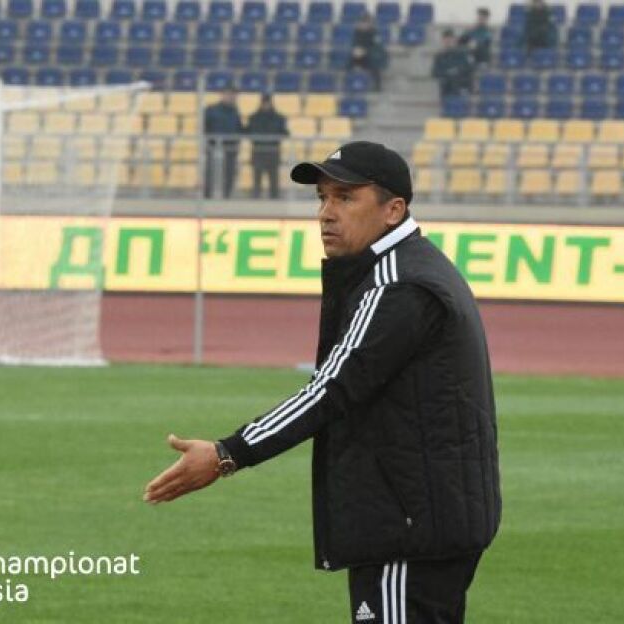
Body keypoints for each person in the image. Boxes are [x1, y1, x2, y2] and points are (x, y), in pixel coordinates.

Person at [144, 141, 502, 623]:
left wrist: (228, 454)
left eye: (345, 197)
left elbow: (330, 389)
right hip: (423, 516)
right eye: (322, 198)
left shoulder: (398, 284)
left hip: (408, 527)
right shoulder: (412, 267)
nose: (326, 213)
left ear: (393, 209)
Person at [245, 93, 289, 199]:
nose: (266, 105)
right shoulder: (253, 118)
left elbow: (284, 133)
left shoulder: (279, 118)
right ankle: (256, 199)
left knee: (273, 179)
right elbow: (249, 132)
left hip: (273, 152)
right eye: (264, 103)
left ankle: (274, 198)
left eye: (267, 103)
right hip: (258, 152)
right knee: (257, 179)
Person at [203, 87, 243, 198]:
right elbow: (204, 127)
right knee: (211, 173)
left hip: (231, 148)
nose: (232, 97)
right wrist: (209, 141)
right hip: (214, 147)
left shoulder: (235, 111)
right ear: (222, 95)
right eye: (229, 94)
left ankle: (227, 196)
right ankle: (207, 197)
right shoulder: (211, 110)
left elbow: (238, 128)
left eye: (234, 95)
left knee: (229, 174)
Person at [348, 12, 386, 91]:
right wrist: (356, 49)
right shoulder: (357, 32)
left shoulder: (374, 32)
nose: (364, 25)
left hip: (372, 55)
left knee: (374, 63)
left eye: (366, 22)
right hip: (359, 55)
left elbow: (377, 47)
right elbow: (354, 43)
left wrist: (366, 51)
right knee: (352, 59)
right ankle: (351, 83)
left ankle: (377, 86)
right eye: (362, 22)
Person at [431, 29, 473, 98]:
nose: (448, 41)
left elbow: (469, 68)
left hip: (461, 86)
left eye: (450, 38)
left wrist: (456, 71)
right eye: (446, 39)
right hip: (446, 88)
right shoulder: (439, 56)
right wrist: (447, 73)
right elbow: (434, 72)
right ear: (442, 40)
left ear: (454, 40)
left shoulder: (463, 53)